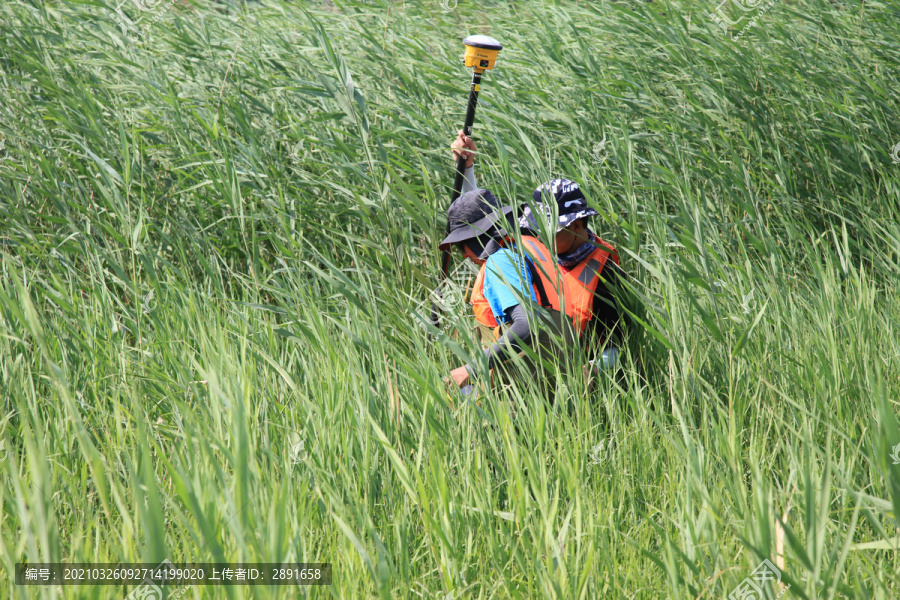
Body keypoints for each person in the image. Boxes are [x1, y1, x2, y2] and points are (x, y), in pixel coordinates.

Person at [446, 133, 626, 390]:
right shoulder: (542, 244)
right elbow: (486, 230)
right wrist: (467, 168)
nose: (536, 234)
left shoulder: (606, 273)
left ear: (575, 225)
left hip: (576, 376)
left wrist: (593, 369)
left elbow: (619, 345)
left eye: (545, 228)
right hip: (527, 358)